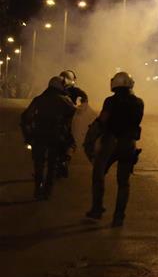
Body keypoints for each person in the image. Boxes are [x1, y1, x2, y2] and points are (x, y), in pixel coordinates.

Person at [84, 72, 144, 226]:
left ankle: (97, 210)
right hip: (128, 144)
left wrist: (89, 139)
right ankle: (119, 217)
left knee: (98, 175)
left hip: (110, 142)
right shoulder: (139, 102)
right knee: (123, 182)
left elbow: (102, 121)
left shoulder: (110, 101)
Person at [20, 77, 76, 199]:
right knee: (52, 164)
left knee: (38, 163)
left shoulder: (39, 99)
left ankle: (37, 189)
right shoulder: (65, 100)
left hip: (39, 135)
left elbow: (26, 117)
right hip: (56, 136)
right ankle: (47, 191)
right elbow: (74, 113)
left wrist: (28, 135)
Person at [57, 70, 87, 179]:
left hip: (58, 120)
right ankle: (65, 160)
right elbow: (85, 100)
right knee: (70, 142)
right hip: (70, 120)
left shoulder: (56, 89)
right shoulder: (76, 91)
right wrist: (80, 109)